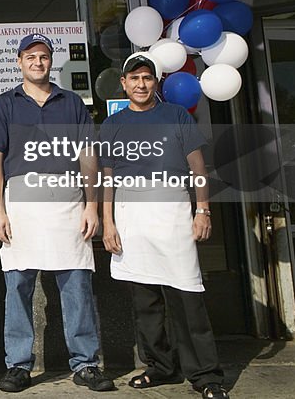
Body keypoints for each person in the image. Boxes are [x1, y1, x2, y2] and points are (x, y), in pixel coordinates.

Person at [0, 33, 113, 393]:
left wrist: (92, 205)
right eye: (31, 57)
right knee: (18, 287)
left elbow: (88, 155)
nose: (37, 62)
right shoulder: (4, 104)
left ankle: (85, 363)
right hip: (21, 205)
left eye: (43, 56)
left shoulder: (71, 102)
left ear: (50, 61)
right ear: (19, 62)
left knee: (76, 286)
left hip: (68, 202)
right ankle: (18, 365)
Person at [99, 53, 229, 399]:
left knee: (187, 296)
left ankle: (205, 375)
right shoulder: (112, 125)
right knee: (145, 299)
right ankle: (159, 366)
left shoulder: (176, 115)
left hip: (172, 211)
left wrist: (203, 210)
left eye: (147, 78)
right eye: (134, 79)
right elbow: (107, 179)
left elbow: (197, 168)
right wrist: (107, 222)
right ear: (123, 84)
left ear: (156, 83)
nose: (141, 85)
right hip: (130, 216)